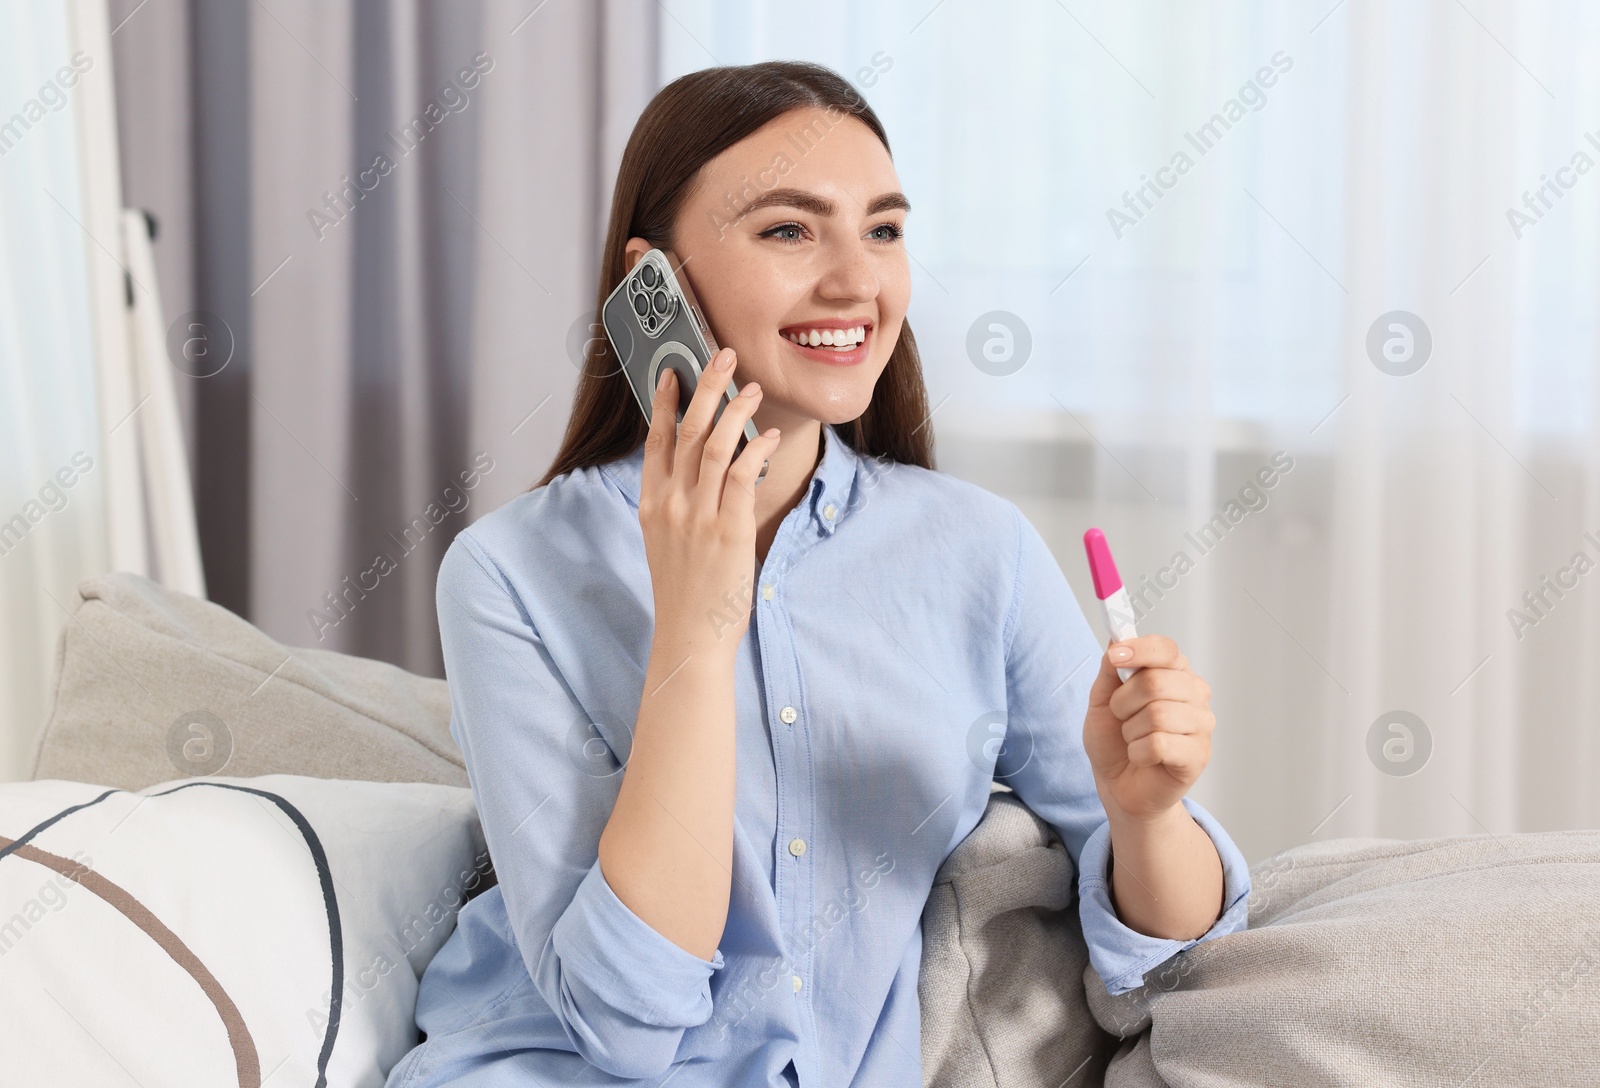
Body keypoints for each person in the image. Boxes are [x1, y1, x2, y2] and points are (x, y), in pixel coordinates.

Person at [385, 59, 1249, 1088]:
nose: (855, 281)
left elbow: (1169, 965)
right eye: (789, 230)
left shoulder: (978, 552)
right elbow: (623, 1021)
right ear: (650, 280)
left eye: (882, 229)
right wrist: (696, 637)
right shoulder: (512, 571)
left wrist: (1145, 812)